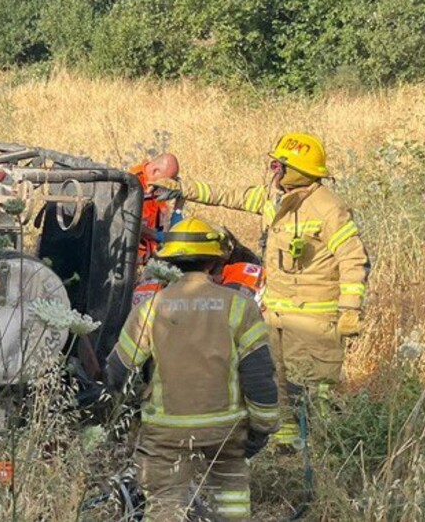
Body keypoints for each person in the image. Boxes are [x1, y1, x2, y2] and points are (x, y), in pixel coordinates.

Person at [154, 132, 369, 447]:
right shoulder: (275, 198)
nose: (273, 170)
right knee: (277, 383)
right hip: (276, 312)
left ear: (295, 169)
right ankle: (285, 446)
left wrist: (350, 308)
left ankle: (325, 451)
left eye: (278, 165)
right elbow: (232, 195)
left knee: (312, 389)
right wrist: (186, 190)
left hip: (313, 320)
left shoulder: (328, 209)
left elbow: (354, 258)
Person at [105, 217, 280, 521]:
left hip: (165, 433)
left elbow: (119, 370)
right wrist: (263, 428)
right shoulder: (240, 306)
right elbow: (259, 376)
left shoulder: (150, 308)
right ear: (216, 262)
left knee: (164, 505)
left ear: (169, 260)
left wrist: (127, 410)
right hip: (225, 432)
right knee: (231, 500)